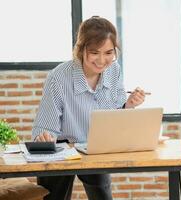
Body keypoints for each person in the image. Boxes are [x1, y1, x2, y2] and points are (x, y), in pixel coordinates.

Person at [31, 16, 146, 200]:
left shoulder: (114, 70)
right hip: (62, 147)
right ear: (81, 49)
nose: (102, 60)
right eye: (95, 52)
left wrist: (129, 105)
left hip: (94, 146)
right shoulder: (58, 77)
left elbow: (115, 116)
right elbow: (46, 126)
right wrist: (44, 137)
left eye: (109, 52)